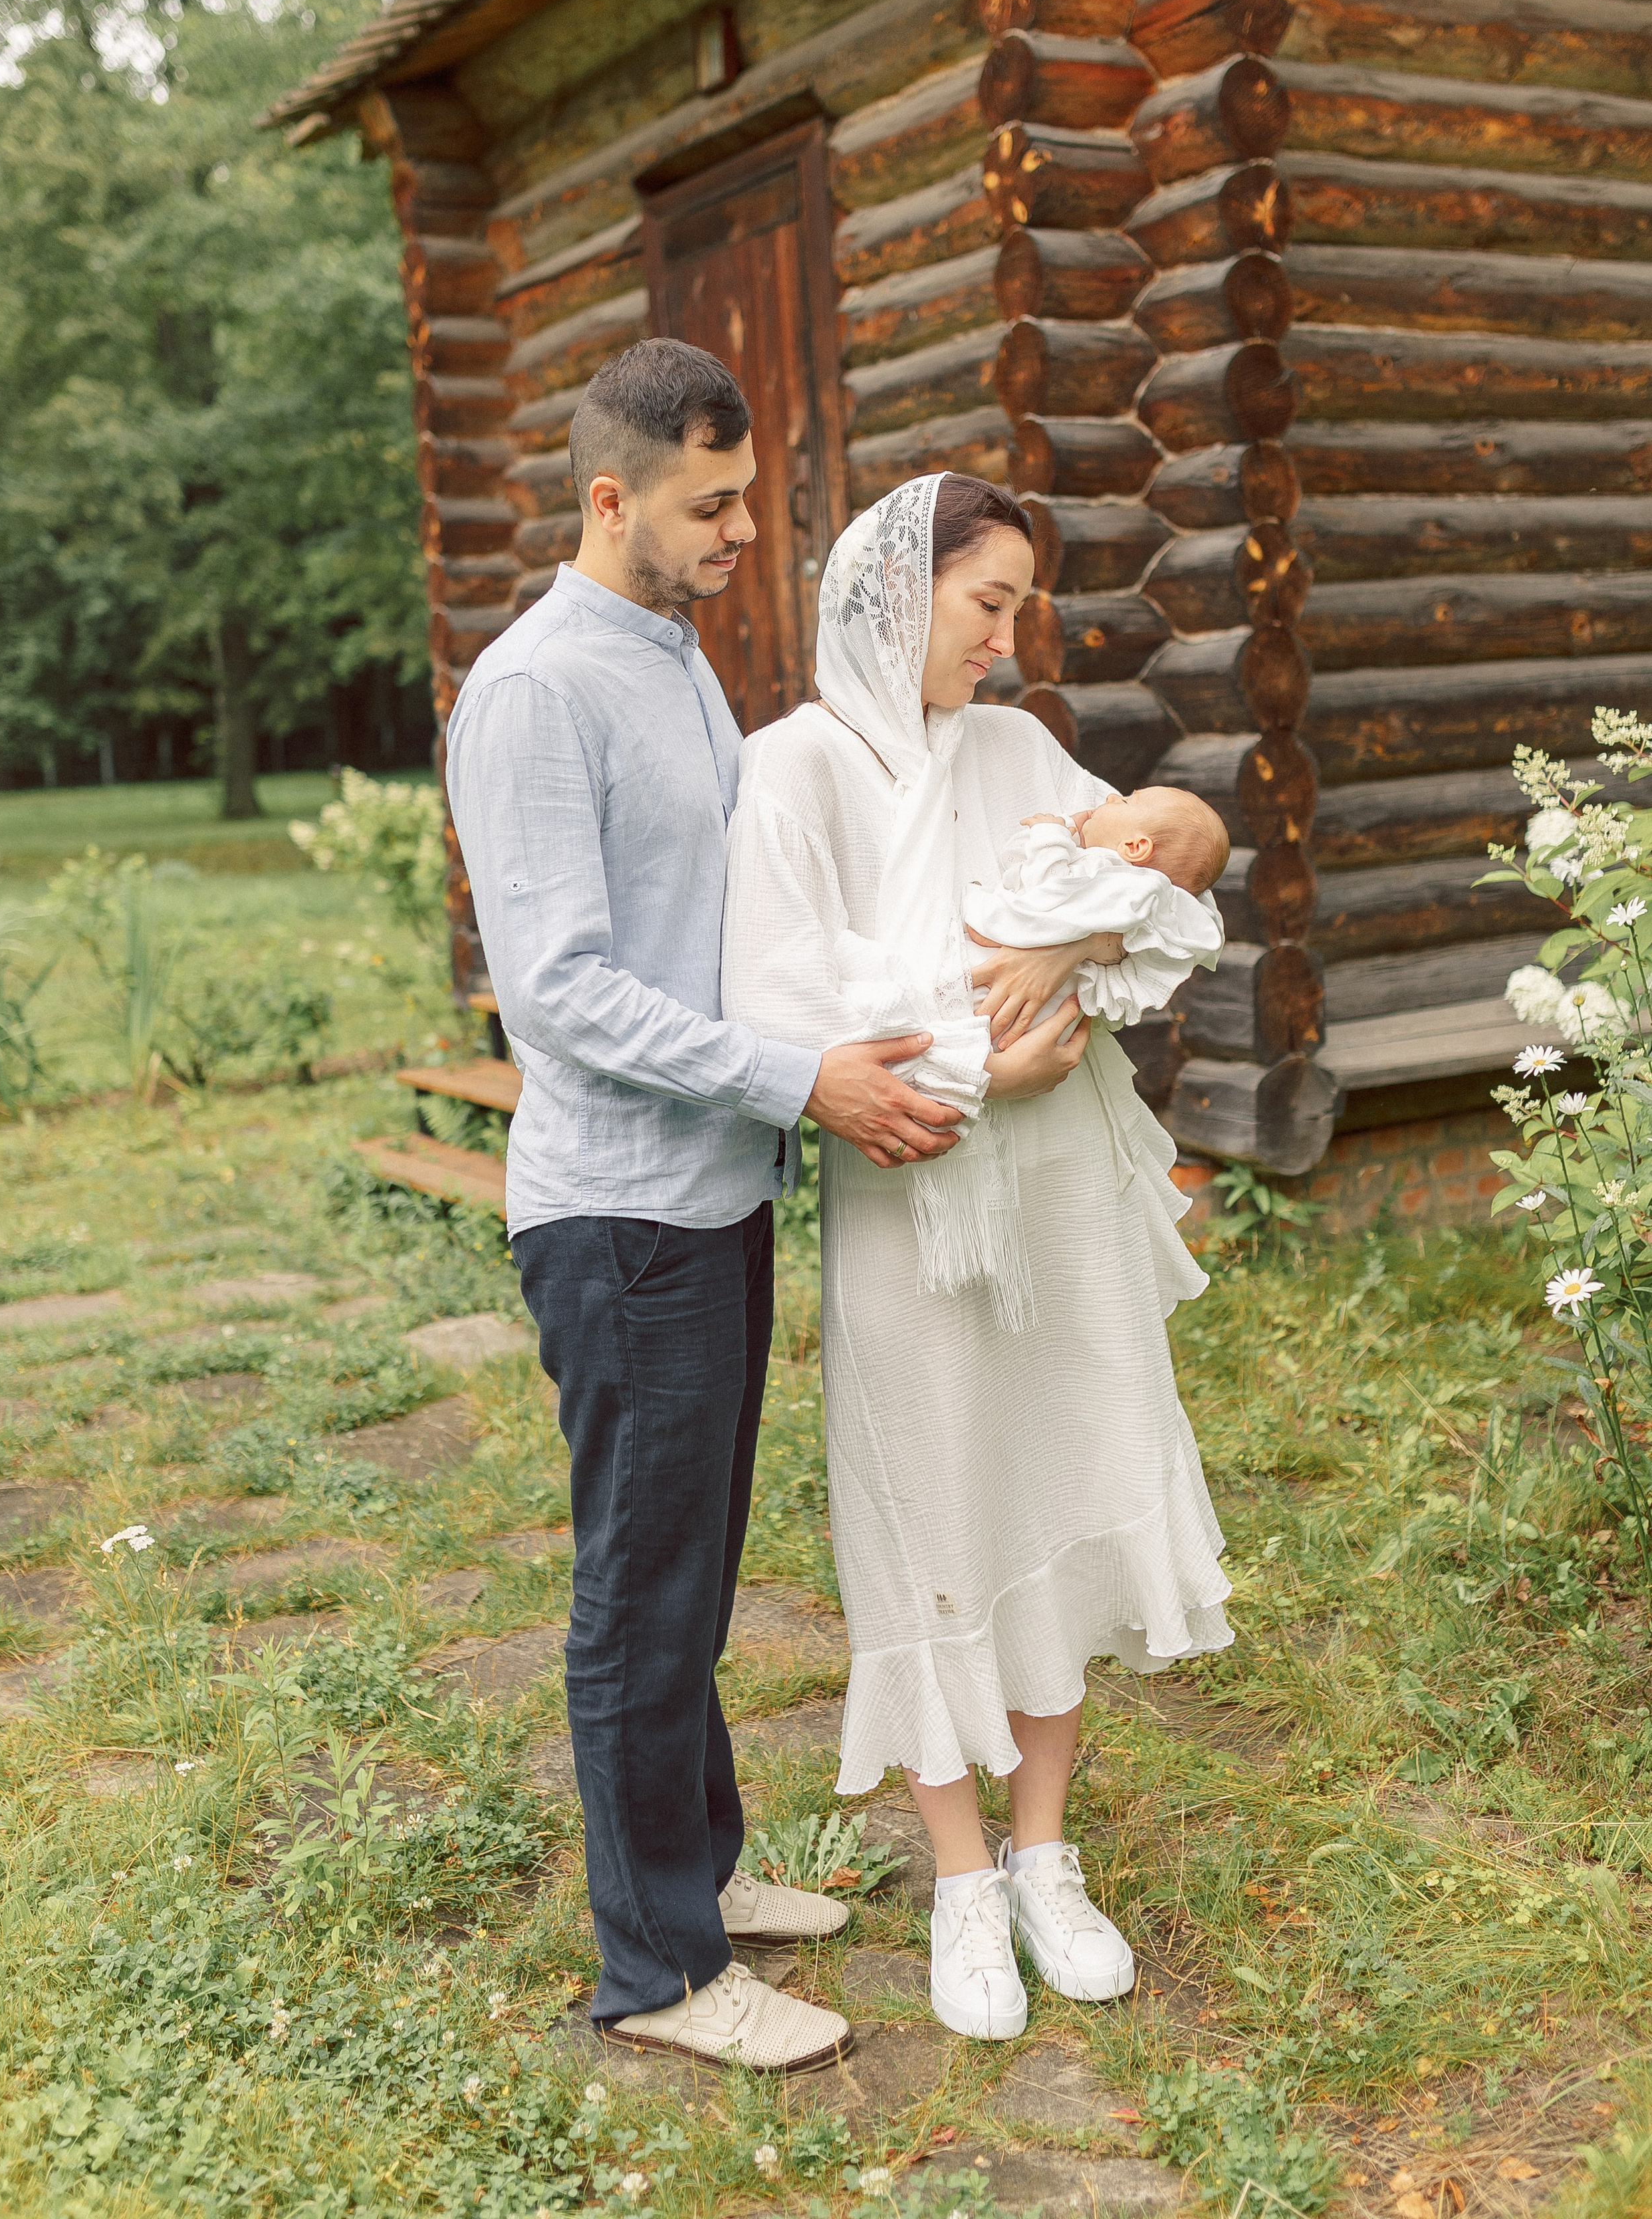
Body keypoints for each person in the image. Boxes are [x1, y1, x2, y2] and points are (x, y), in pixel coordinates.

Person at [445, 339, 969, 2076]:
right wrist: (797, 1083)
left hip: (709, 1195)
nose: (752, 529)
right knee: (638, 1596)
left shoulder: (668, 655)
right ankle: (658, 1974)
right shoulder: (537, 692)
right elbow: (562, 996)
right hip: (618, 1219)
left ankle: (704, 1874)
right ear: (613, 500)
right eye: (712, 503)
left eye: (753, 496)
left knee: (694, 1578)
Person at [722, 471, 1232, 2044]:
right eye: (985, 603)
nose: (1007, 643)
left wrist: (1069, 942)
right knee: (927, 1491)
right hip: (915, 1182)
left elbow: (1168, 864)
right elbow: (774, 998)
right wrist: (969, 1051)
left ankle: (1043, 1852)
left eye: (1017, 607)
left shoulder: (1015, 748)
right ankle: (957, 1876)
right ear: (895, 591)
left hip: (1063, 1190)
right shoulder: (785, 773)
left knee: (1066, 1467)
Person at [961, 787, 1230, 1040]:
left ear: (1135, 847)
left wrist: (1052, 835)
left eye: (1126, 801)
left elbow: (1044, 896)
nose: (1112, 796)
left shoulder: (1107, 876)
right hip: (1038, 1016)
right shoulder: (1133, 901)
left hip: (999, 997)